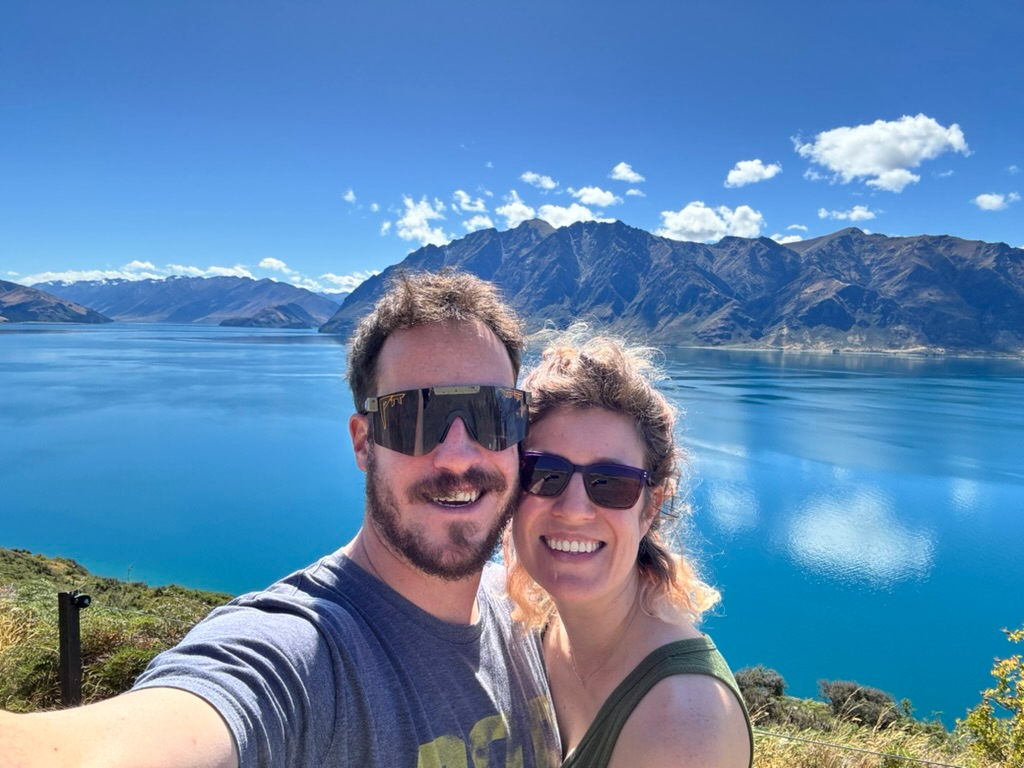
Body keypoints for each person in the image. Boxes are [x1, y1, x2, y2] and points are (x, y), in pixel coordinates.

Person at [0, 271, 561, 768]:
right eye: (415, 416)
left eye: (493, 415)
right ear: (364, 443)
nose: (458, 456)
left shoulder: (530, 617)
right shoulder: (300, 658)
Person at [504, 329, 753, 768]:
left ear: (650, 507)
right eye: (544, 473)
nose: (574, 509)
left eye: (611, 483)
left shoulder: (684, 727)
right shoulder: (533, 626)